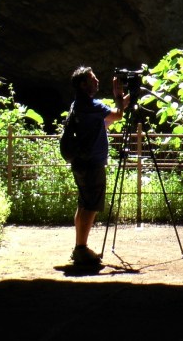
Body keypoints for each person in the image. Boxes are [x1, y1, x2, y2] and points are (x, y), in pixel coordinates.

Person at [67, 66, 129, 265]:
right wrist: (118, 95)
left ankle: (79, 246)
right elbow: (118, 115)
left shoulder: (79, 105)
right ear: (83, 84)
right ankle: (81, 249)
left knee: (84, 204)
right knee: (90, 206)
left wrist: (128, 98)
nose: (97, 81)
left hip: (81, 163)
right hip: (92, 164)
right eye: (93, 79)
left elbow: (107, 120)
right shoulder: (91, 105)